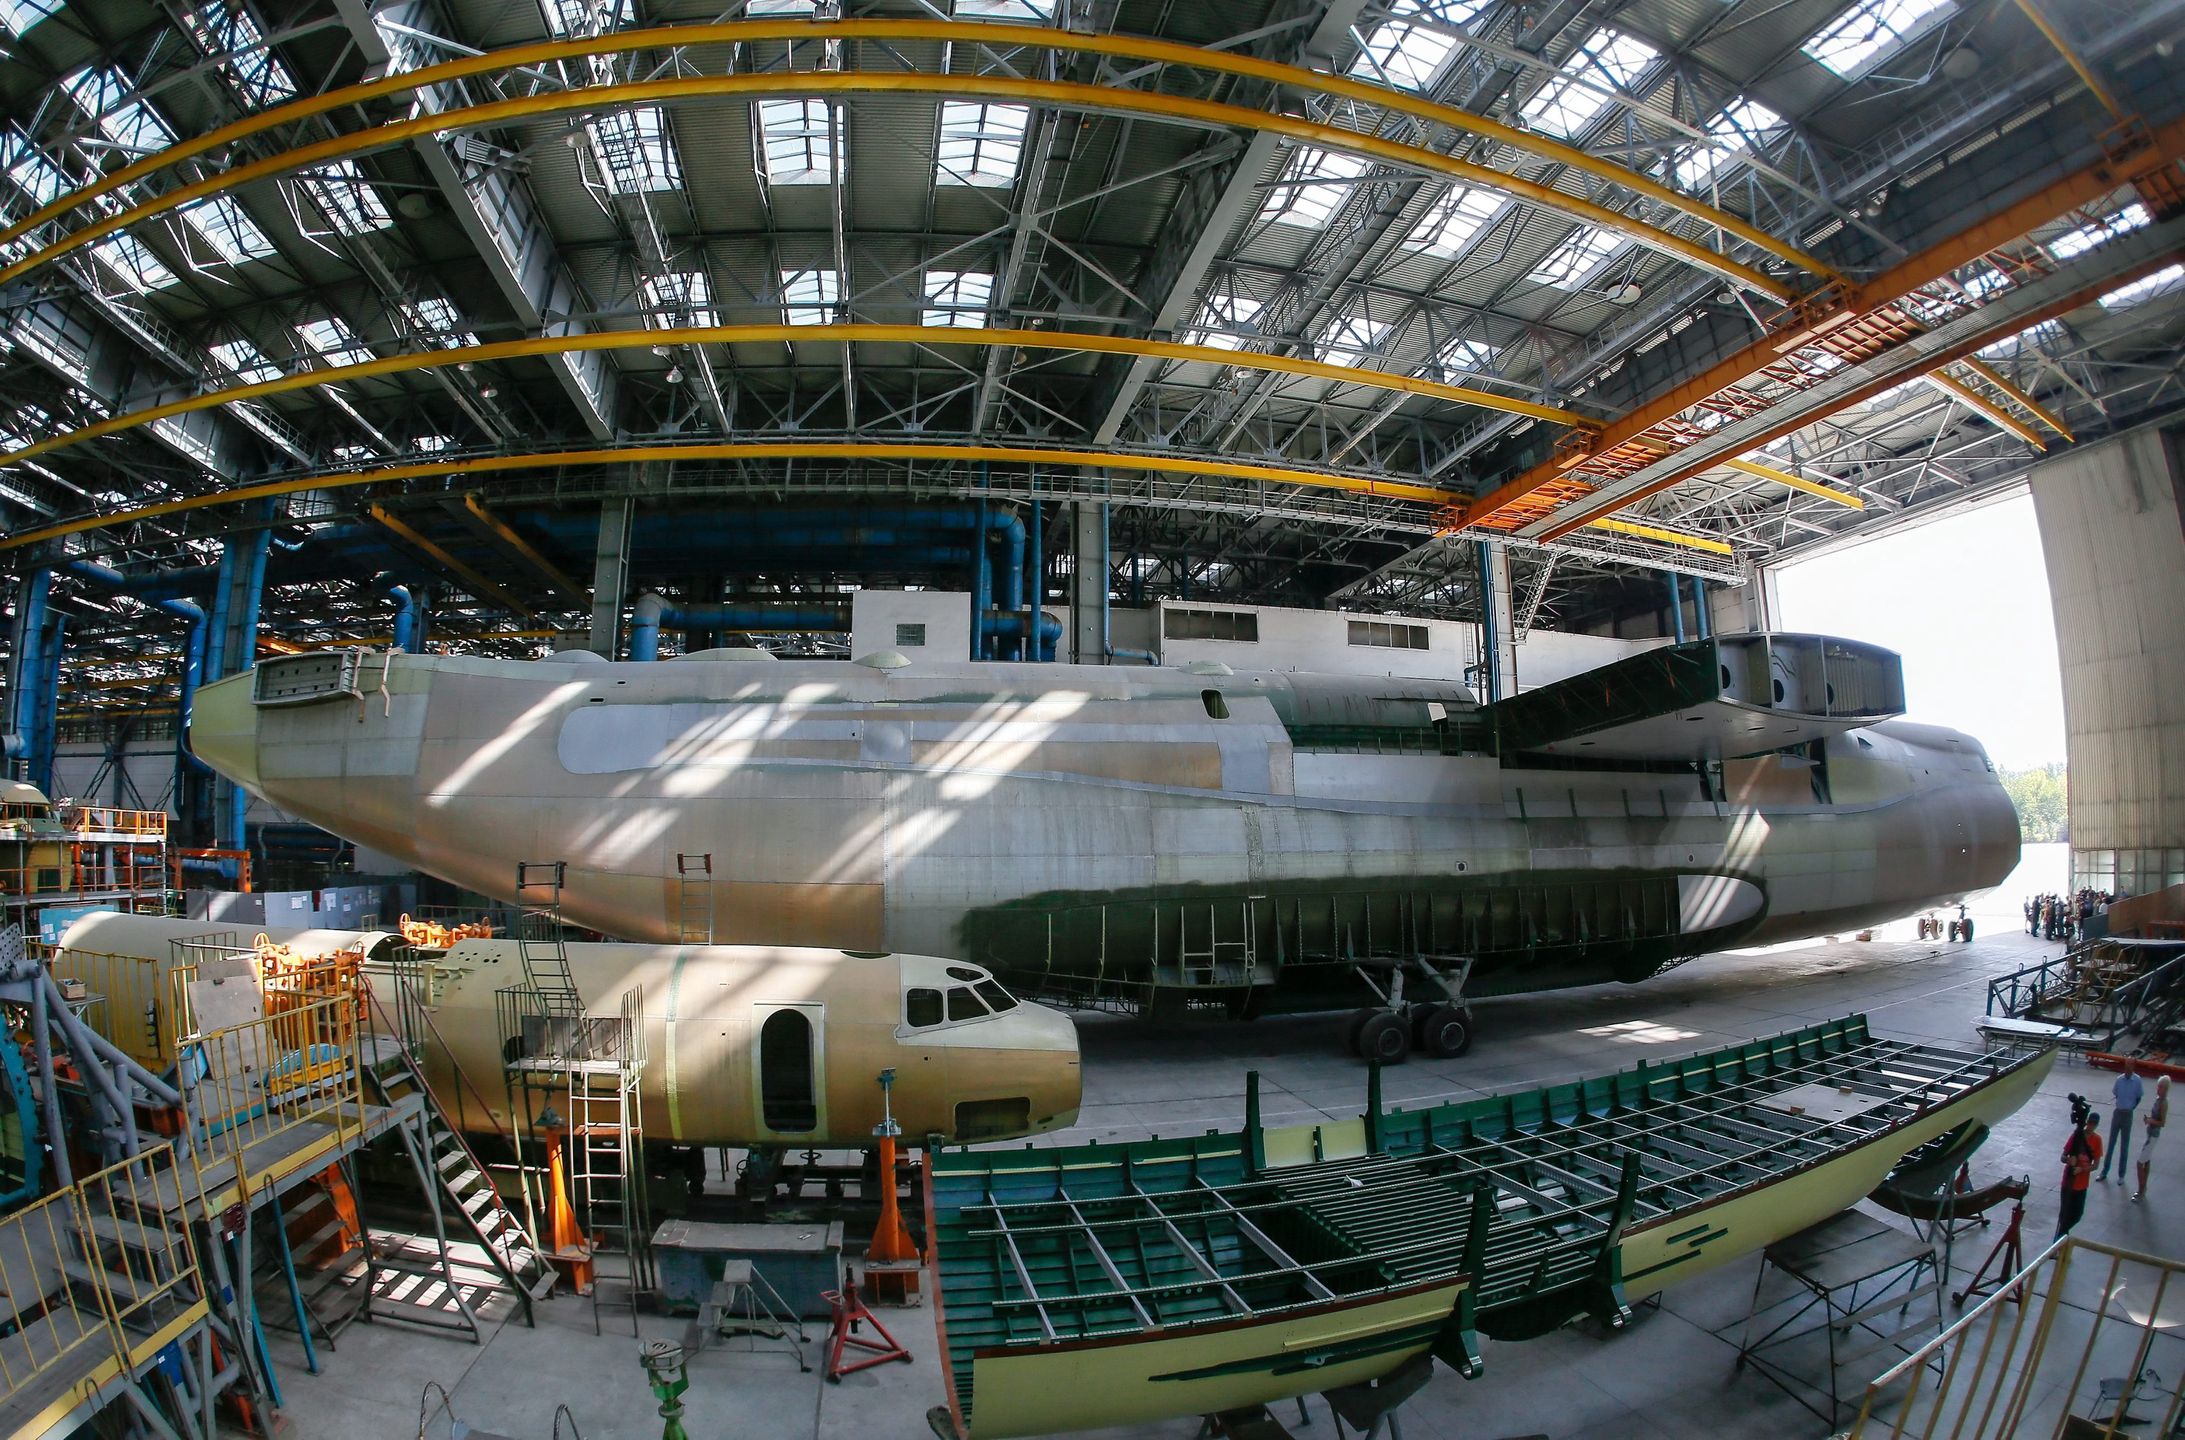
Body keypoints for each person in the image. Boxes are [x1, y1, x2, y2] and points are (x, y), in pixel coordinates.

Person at [2058, 1109, 2102, 1238]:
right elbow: (2062, 1156)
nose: (2091, 1126)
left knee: (2077, 1214)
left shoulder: (2097, 1140)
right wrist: (2068, 1160)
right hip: (2068, 1183)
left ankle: (2062, 1235)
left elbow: (2096, 1165)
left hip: (2082, 1185)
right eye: (2090, 1123)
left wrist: (2082, 1170)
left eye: (2094, 1124)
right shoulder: (2076, 1136)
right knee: (2064, 1214)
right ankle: (2061, 1239)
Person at [2101, 1058, 2144, 1182]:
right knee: (2111, 1143)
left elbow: (2138, 1098)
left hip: (2127, 1114)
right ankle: (2105, 1171)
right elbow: (2116, 1094)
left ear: (2133, 1066)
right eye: (2126, 1064)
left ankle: (2121, 1175)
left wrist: (2130, 1107)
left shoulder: (2137, 1081)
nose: (2128, 1067)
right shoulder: (2119, 1080)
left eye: (2130, 1065)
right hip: (2118, 1113)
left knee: (2124, 1145)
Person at [2136, 1076, 2169, 1203]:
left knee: (2140, 1163)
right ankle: (2143, 1188)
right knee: (2147, 1160)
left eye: (2160, 1087)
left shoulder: (2164, 1103)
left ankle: (2141, 1190)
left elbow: (2162, 1122)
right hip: (2150, 1133)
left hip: (2153, 1135)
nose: (2158, 1089)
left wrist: (2150, 1120)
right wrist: (2149, 1119)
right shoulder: (2158, 1100)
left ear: (2165, 1089)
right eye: (2158, 1086)